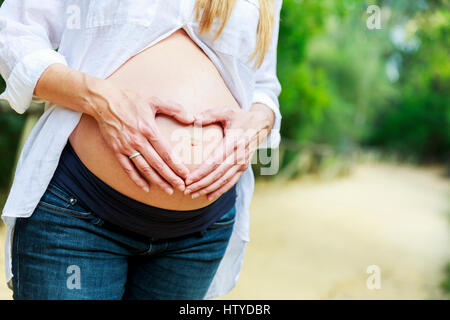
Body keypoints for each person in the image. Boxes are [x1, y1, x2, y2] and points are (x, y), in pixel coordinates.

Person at [0, 0, 282, 299]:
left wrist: (258, 122)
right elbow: (14, 35)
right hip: (80, 210)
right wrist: (102, 100)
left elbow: (262, 84)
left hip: (201, 233)